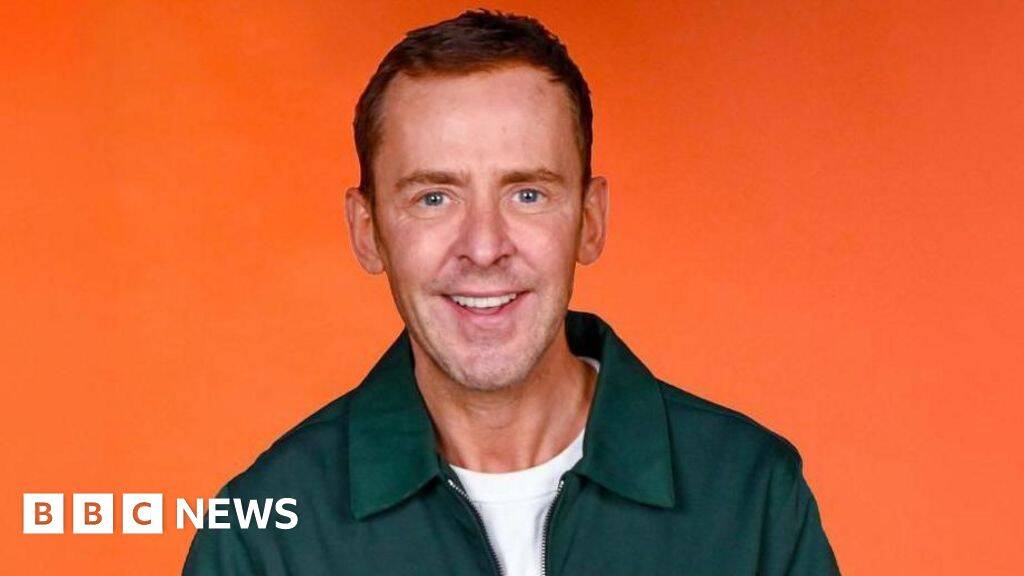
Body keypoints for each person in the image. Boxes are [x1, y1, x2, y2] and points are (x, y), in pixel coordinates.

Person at [183, 9, 840, 575]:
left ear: (589, 220)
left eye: (527, 193)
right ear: (368, 232)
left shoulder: (749, 493)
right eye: (434, 197)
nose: (484, 246)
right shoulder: (264, 536)